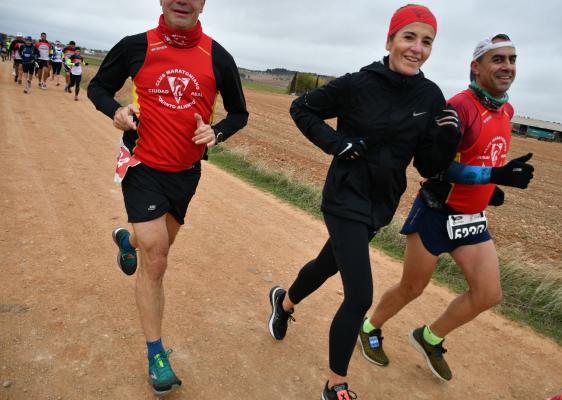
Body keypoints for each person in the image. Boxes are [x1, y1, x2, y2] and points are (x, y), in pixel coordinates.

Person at [267, 5, 461, 399]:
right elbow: (301, 107)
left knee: (327, 264)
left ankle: (284, 302)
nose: (417, 49)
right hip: (344, 197)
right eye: (409, 37)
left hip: (381, 205)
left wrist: (446, 140)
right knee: (359, 295)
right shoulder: (358, 84)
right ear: (390, 40)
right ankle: (335, 384)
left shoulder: (430, 95)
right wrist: (338, 145)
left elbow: (426, 163)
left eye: (427, 42)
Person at [87, 0, 248, 396]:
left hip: (185, 174)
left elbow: (239, 113)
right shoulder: (136, 46)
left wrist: (217, 132)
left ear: (203, 3)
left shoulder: (217, 56)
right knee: (156, 260)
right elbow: (98, 87)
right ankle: (156, 354)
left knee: (152, 246)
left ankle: (127, 240)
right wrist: (116, 111)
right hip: (141, 165)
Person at [358, 34, 535, 382]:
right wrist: (494, 175)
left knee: (488, 294)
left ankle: (430, 337)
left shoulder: (506, 110)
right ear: (476, 67)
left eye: (512, 59)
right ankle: (369, 327)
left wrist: (491, 188)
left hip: (472, 220)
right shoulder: (458, 107)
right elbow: (438, 168)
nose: (508, 67)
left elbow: (484, 156)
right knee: (412, 288)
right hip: (437, 212)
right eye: (498, 59)